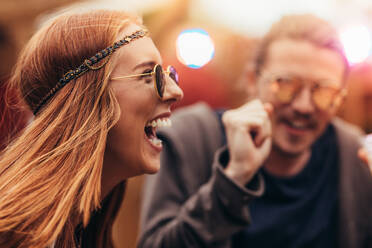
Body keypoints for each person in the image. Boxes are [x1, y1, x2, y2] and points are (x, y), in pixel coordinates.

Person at [138, 14, 372, 248]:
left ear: (340, 97)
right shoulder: (191, 139)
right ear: (252, 80)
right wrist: (234, 178)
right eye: (285, 84)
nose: (303, 106)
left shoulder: (353, 153)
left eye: (323, 91)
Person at [0, 8, 183, 248]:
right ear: (88, 98)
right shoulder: (18, 236)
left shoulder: (82, 233)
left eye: (169, 74)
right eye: (149, 74)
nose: (176, 92)